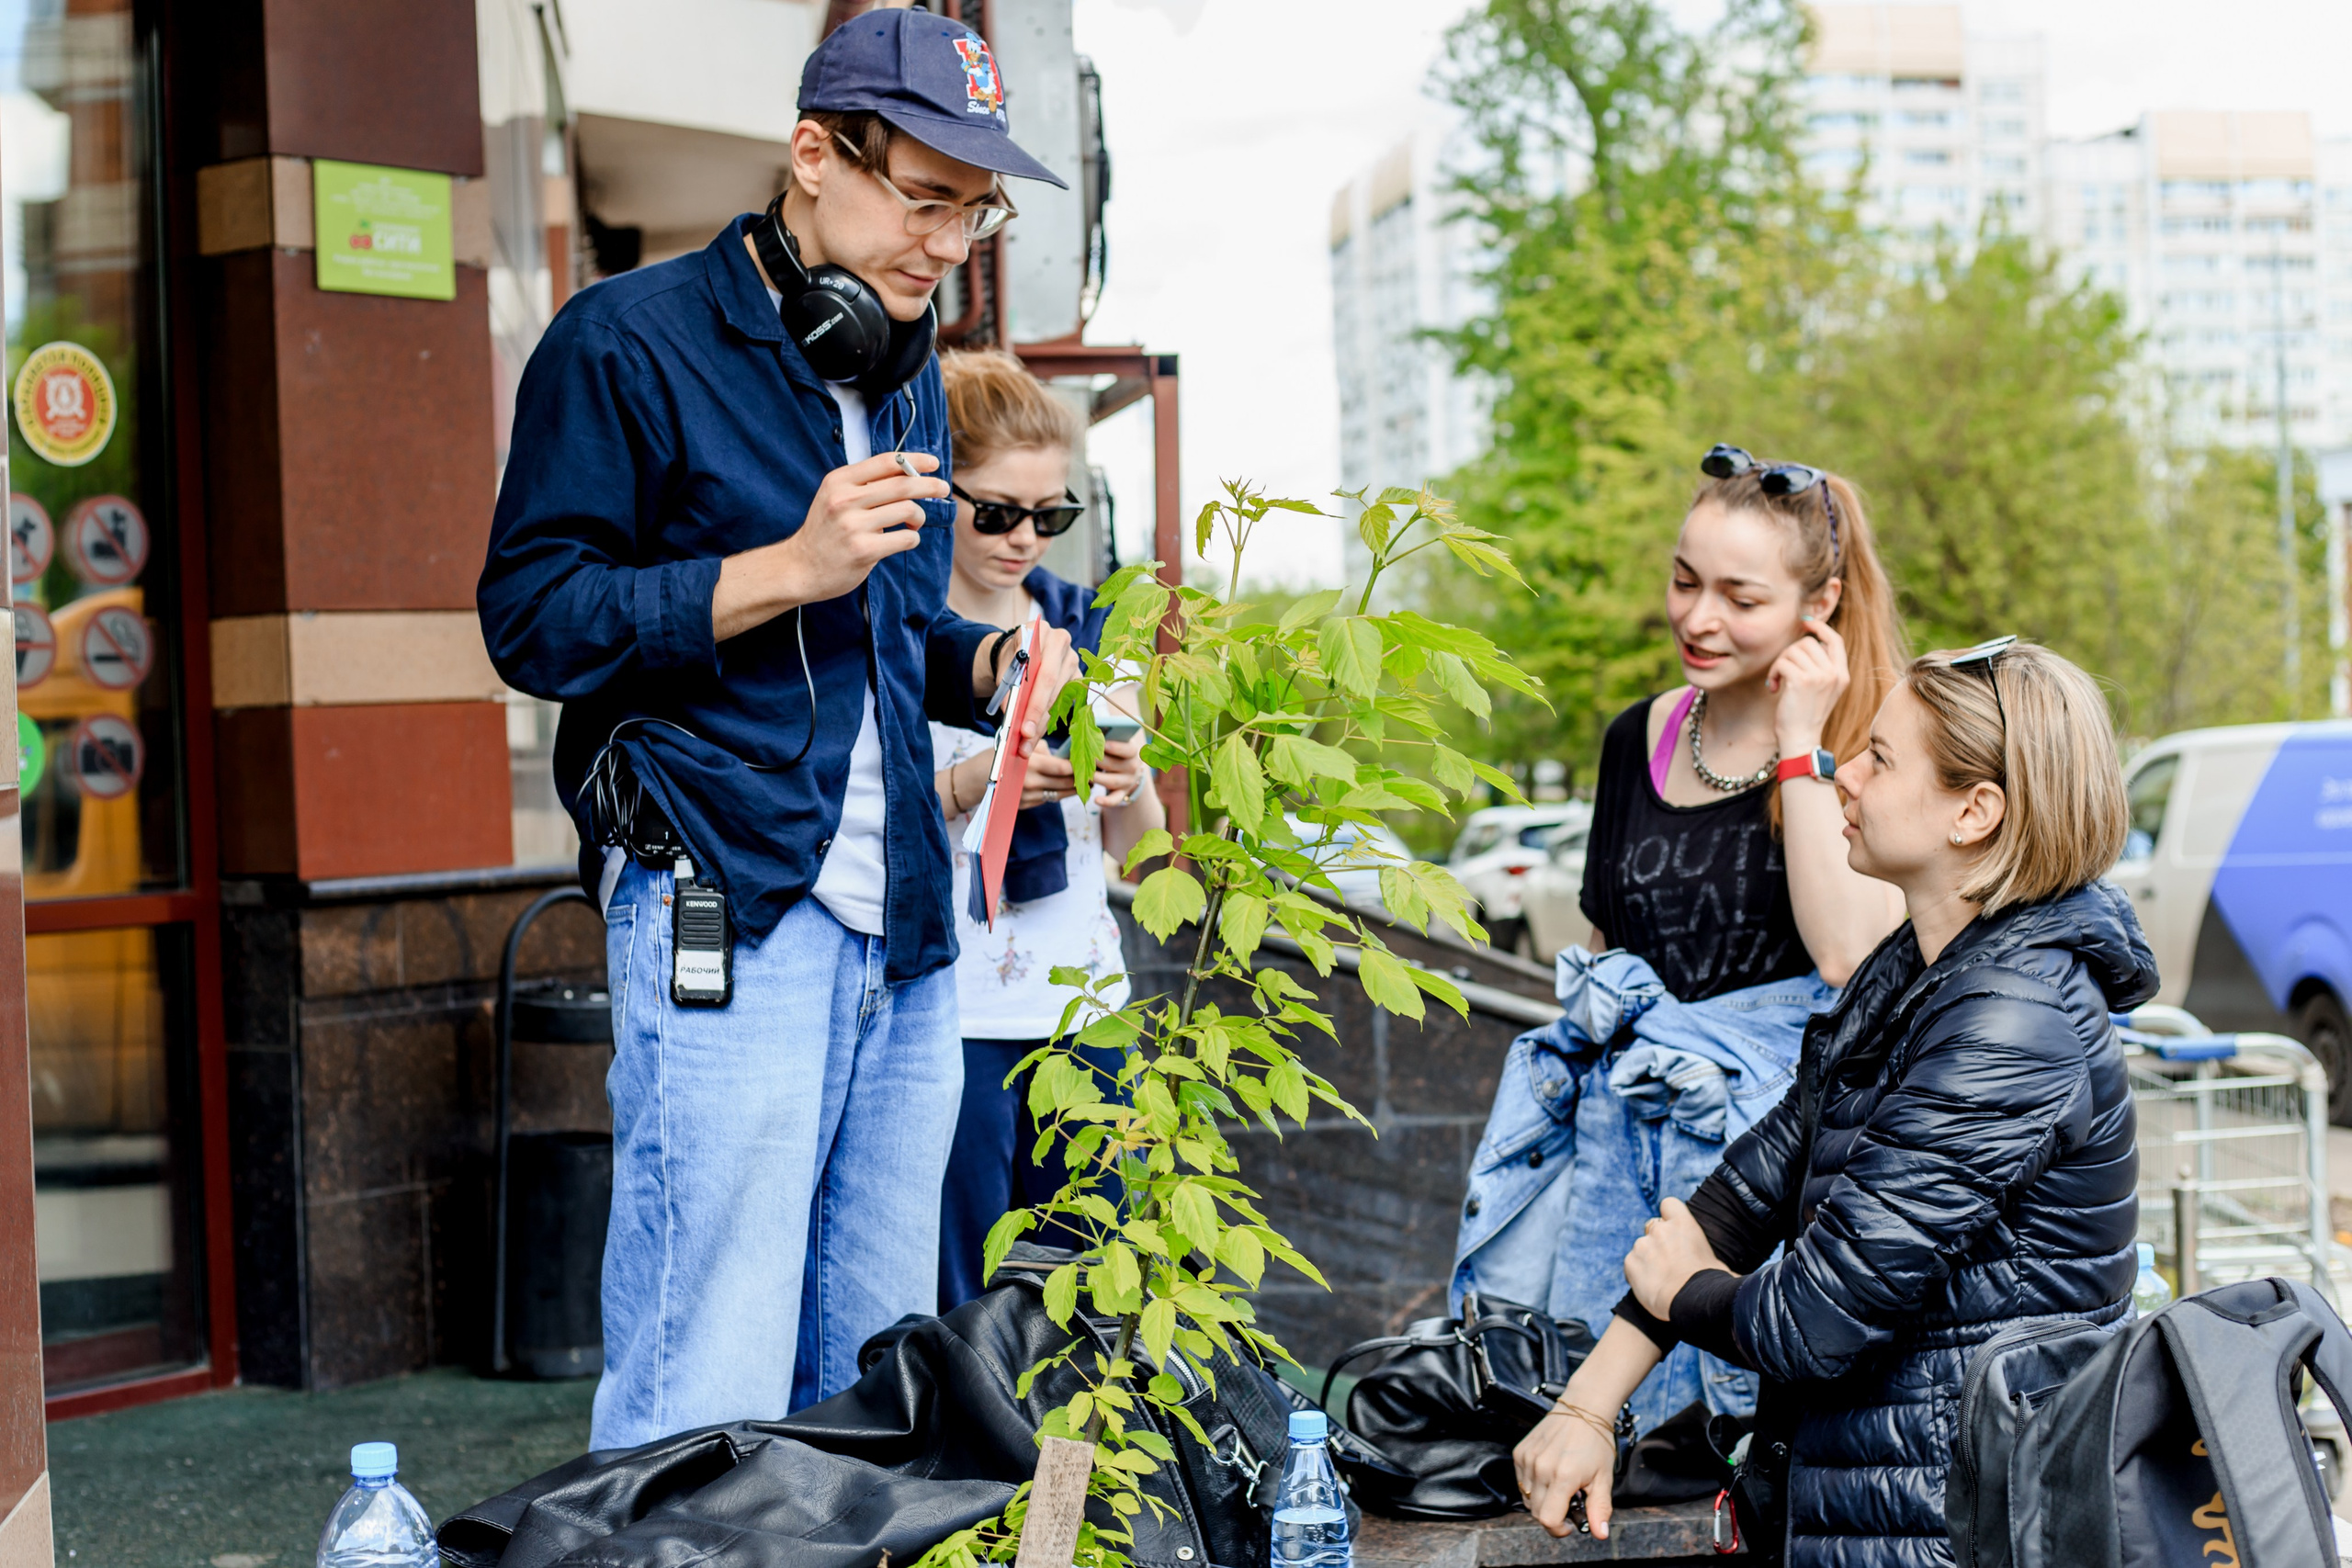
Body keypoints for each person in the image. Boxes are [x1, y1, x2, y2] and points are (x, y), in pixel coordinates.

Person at [477, 11, 1078, 1450]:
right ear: (814, 154)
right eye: (923, 197)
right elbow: (533, 617)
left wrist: (983, 663)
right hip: (728, 900)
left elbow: (868, 634)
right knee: (712, 1361)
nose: (947, 241)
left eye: (972, 208)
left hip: (906, 930)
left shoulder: (906, 366)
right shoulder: (622, 342)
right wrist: (780, 568)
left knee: (871, 1372)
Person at [1513, 639, 2154, 1568]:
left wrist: (1683, 1291)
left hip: (1960, 1522)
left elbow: (1812, 1319)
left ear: (1975, 812)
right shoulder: (1917, 971)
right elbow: (1750, 1191)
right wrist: (1586, 1406)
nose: (1840, 775)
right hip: (1873, 1496)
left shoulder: (2016, 1020)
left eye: (1879, 758)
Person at [926, 350, 1165, 1310]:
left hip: (1081, 1004)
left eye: (1050, 515)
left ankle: (1067, 1469)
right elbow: (861, 819)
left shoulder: (1082, 627)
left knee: (1089, 1280)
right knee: (962, 1288)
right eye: (995, 512)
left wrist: (1128, 775)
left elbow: (1140, 855)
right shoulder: (893, 635)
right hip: (948, 1010)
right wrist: (991, 779)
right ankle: (967, 1468)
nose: (1025, 537)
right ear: (937, 492)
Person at [1580, 445, 1910, 996]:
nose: (1697, 619)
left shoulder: (1879, 745)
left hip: (1796, 1081)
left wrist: (1801, 741)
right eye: (1685, 583)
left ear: (1821, 603)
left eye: (1742, 601)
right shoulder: (1635, 737)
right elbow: (1603, 956)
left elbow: (1849, 956)